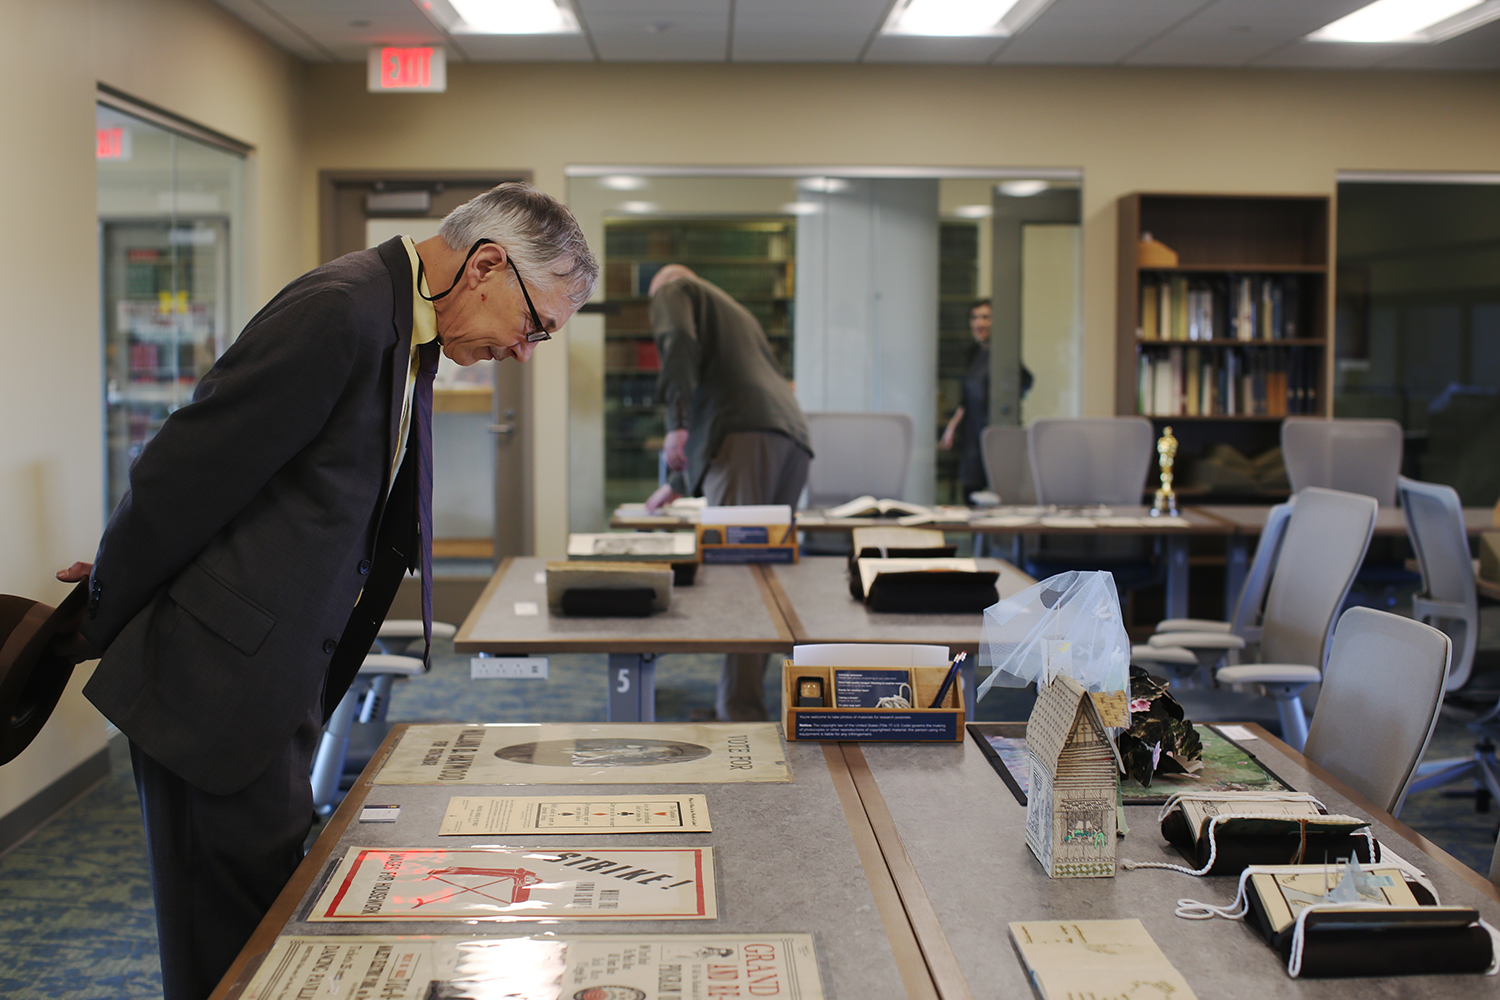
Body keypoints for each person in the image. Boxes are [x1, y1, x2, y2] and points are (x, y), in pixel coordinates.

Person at [54, 182, 597, 1000]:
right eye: (535, 326)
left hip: (272, 677)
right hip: (213, 687)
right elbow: (187, 469)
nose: (525, 351)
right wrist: (96, 614)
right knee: (226, 949)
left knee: (263, 920)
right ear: (487, 265)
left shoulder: (409, 326)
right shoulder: (341, 310)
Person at [641, 264, 812, 721]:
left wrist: (675, 422)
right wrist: (675, 485)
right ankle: (744, 704)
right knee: (761, 575)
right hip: (790, 439)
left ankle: (740, 715)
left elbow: (678, 343)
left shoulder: (673, 289)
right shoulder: (738, 314)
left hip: (745, 438)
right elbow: (725, 388)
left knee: (740, 579)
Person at [939, 298, 1032, 500]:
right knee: (970, 491)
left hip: (995, 433)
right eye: (974, 318)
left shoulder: (1003, 354)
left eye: (985, 317)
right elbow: (966, 399)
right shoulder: (973, 353)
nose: (978, 323)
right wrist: (951, 428)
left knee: (997, 493)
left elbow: (1025, 382)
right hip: (971, 436)